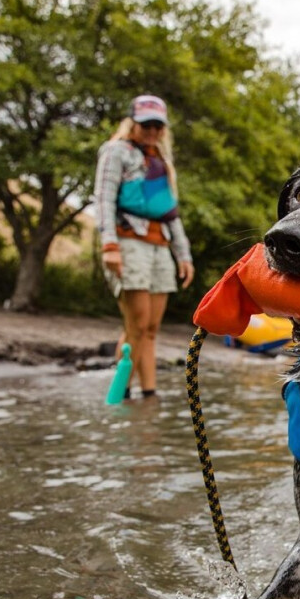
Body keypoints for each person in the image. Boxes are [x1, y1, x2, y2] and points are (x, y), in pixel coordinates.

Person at [94, 94, 195, 399]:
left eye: (157, 125)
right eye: (146, 124)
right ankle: (120, 395)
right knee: (136, 325)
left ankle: (149, 396)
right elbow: (104, 199)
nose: (152, 130)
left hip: (159, 248)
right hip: (128, 243)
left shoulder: (161, 161)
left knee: (150, 328)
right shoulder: (116, 151)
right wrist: (109, 245)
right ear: (132, 123)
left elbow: (171, 214)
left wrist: (184, 255)